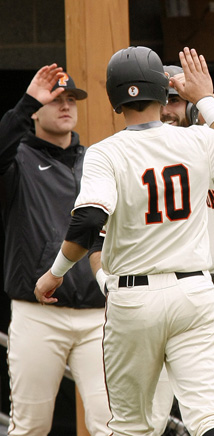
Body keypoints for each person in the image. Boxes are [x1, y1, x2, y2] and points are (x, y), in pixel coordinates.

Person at [34, 46, 214, 436]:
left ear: (116, 100)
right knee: (212, 417)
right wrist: (203, 99)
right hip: (195, 292)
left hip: (134, 298)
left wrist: (56, 273)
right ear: (161, 89)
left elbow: (88, 221)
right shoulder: (199, 140)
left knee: (133, 426)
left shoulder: (105, 152)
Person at [0, 66, 111, 435]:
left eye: (70, 99)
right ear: (35, 110)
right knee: (30, 427)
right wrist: (26, 101)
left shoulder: (97, 158)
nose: (65, 106)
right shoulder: (17, 160)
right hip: (37, 315)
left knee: (111, 425)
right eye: (54, 99)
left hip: (98, 314)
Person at [148, 64, 214, 436]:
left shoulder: (210, 144)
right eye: (160, 99)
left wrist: (206, 105)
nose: (167, 109)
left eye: (176, 99)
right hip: (154, 291)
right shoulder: (132, 150)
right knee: (147, 416)